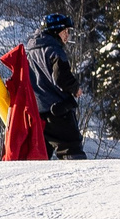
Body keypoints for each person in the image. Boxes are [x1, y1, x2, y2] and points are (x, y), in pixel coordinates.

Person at [28, 14, 87, 159]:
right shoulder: (54, 50)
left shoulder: (30, 52)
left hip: (38, 112)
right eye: (64, 31)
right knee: (71, 149)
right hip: (58, 110)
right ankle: (79, 174)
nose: (67, 35)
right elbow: (61, 77)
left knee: (41, 155)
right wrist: (75, 88)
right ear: (55, 32)